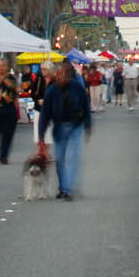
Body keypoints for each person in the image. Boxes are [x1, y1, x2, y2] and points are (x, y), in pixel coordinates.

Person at [41, 61, 93, 200]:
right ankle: (64, 187)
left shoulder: (76, 87)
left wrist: (88, 124)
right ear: (55, 76)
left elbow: (85, 105)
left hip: (75, 125)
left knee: (73, 156)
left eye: (63, 74)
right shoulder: (51, 90)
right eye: (58, 75)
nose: (61, 77)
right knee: (59, 159)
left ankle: (68, 188)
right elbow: (45, 113)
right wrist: (41, 135)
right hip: (59, 127)